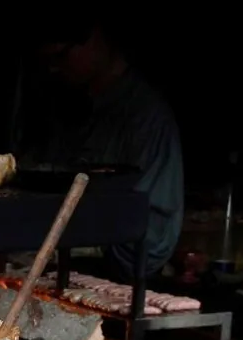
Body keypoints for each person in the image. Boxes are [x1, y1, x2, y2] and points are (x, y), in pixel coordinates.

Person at [18, 14, 184, 283]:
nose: (53, 69)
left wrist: (87, 242)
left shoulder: (146, 118)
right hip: (63, 272)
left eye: (61, 56)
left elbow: (152, 238)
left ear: (96, 40)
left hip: (121, 280)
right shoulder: (71, 107)